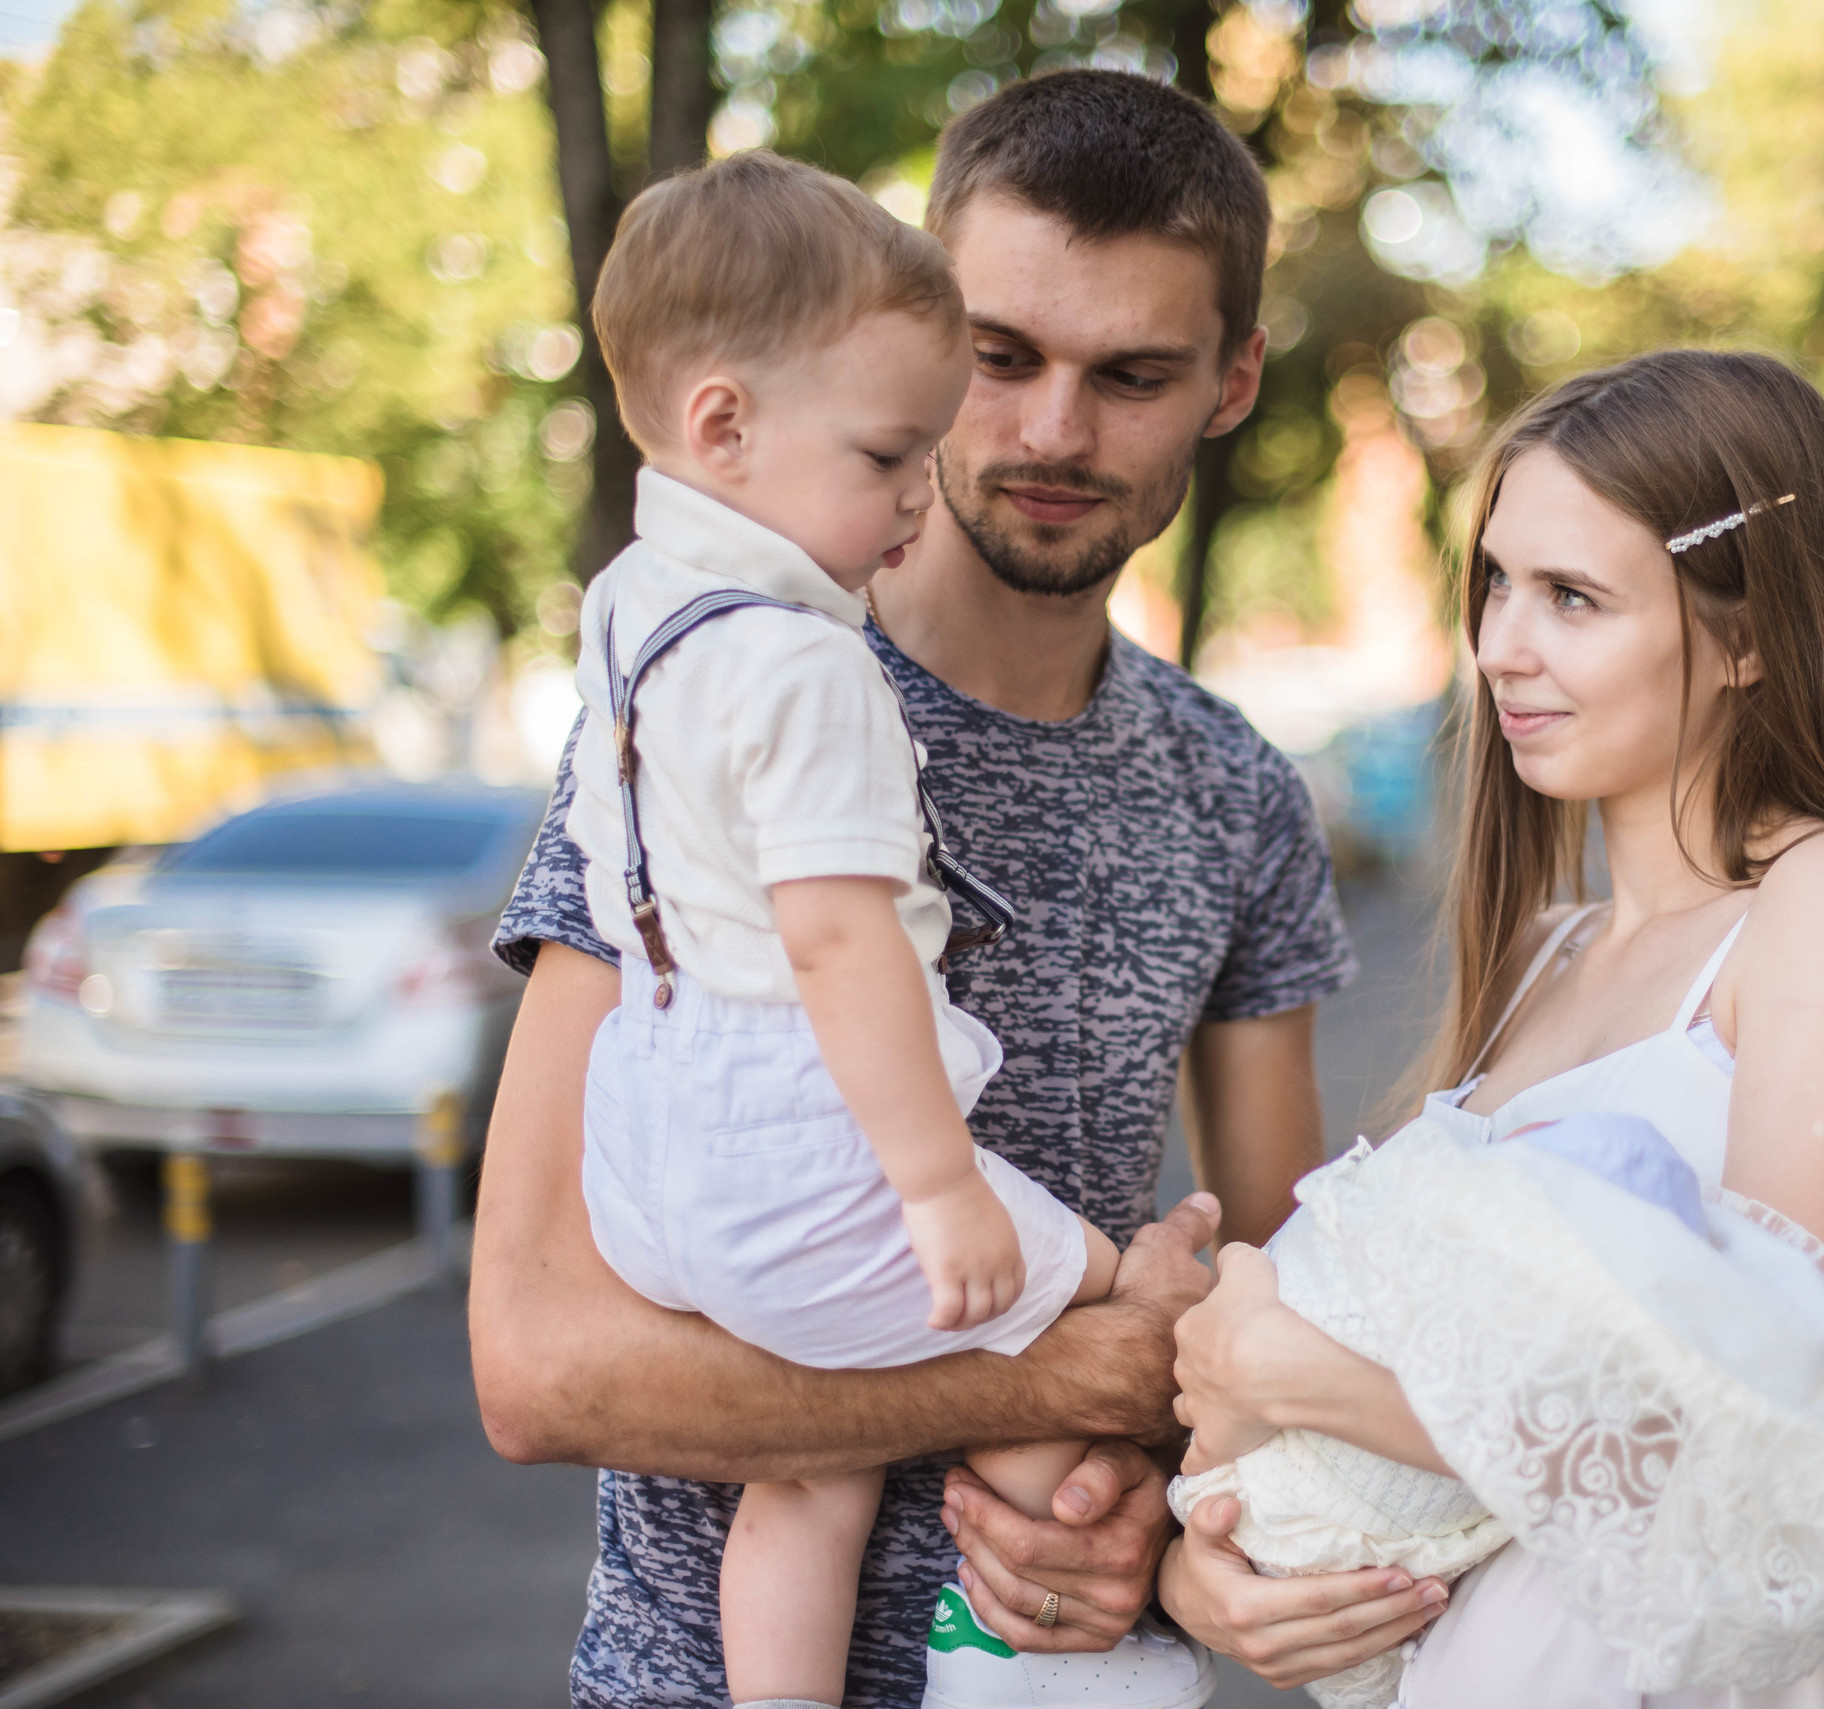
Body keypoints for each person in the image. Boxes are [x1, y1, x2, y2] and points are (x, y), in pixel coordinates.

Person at [473, 71, 1442, 1709]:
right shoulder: (715, 700)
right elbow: (538, 1364)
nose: (1053, 431)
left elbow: (1272, 1310)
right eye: (1001, 357)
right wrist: (1066, 1369)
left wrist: (1175, 1517)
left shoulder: (1237, 793)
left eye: (1132, 374)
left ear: (1233, 381)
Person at [1160, 349, 1824, 1706]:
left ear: (1748, 633)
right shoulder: (1548, 958)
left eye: (1573, 596)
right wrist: (1216, 1568)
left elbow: (1780, 1443)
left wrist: (1303, 1376)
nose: (1500, 647)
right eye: (1494, 583)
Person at [561, 150, 1142, 1709]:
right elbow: (838, 940)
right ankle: (1072, 1668)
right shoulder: (812, 666)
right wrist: (943, 1185)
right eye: (890, 455)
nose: (914, 495)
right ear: (726, 425)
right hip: (794, 1149)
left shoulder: (631, 602)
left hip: (651, 1159)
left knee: (810, 1471)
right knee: (1091, 1290)